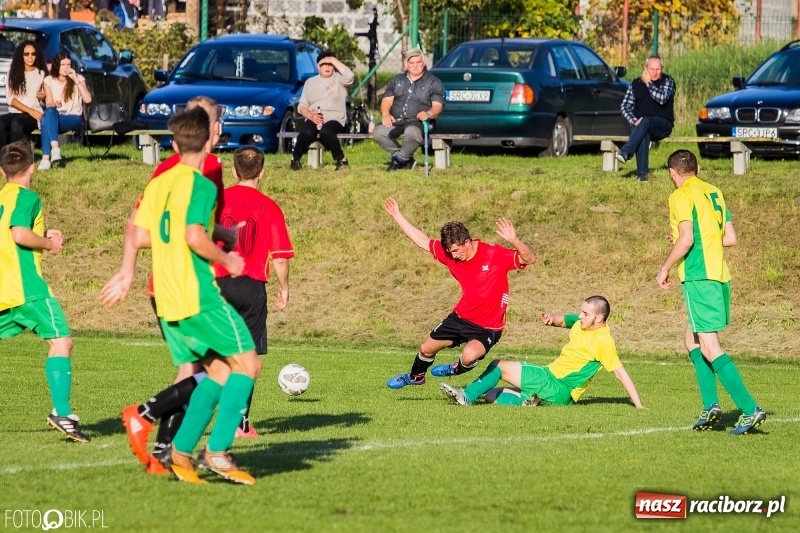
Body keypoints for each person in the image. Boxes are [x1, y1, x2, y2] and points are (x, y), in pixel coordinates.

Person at [100, 96, 236, 476]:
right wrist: (126, 271)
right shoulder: (191, 170)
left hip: (179, 282)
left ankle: (162, 450)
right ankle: (146, 417)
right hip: (182, 285)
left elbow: (186, 225)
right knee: (223, 367)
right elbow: (143, 226)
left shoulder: (202, 167)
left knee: (195, 368)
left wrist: (222, 234)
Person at [132, 106, 260, 485]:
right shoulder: (201, 184)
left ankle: (181, 452)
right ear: (209, 139)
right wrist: (227, 258)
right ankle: (217, 452)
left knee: (219, 370)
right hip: (198, 293)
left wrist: (125, 274)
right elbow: (193, 235)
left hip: (168, 297)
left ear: (173, 143)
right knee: (249, 366)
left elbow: (137, 235)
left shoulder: (159, 184)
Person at [657, 149, 765, 435]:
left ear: (672, 173)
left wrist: (665, 267)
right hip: (718, 275)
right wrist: (683, 238)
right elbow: (729, 238)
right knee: (692, 341)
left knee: (709, 345)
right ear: (698, 168)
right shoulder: (713, 191)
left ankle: (749, 408)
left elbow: (688, 239)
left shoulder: (680, 195)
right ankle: (711, 406)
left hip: (698, 276)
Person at [383, 197, 535, 389]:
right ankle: (416, 377)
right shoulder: (450, 254)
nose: (454, 256)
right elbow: (422, 240)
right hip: (461, 317)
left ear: (467, 242)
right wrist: (397, 215)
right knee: (426, 348)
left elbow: (529, 259)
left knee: (469, 356)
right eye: (450, 251)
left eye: (456, 250)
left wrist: (514, 240)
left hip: (488, 326)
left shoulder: (493, 254)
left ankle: (455, 369)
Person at [0, 140, 90, 443]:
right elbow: (19, 234)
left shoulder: (3, 197)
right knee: (61, 341)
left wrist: (42, 234)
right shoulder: (28, 197)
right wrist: (49, 243)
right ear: (32, 167)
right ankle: (62, 413)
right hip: (27, 288)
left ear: (2, 171)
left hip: (4, 288)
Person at [440, 296, 645, 408]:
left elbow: (620, 373)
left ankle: (466, 396)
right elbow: (565, 320)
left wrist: (638, 405)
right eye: (581, 311)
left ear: (599, 319)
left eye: (585, 313)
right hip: (555, 389)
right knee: (492, 394)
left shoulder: (603, 342)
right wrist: (551, 320)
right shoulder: (582, 323)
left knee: (498, 366)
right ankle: (528, 403)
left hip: (557, 385)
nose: (580, 316)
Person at [215, 146, 294, 437]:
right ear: (262, 172)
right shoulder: (270, 207)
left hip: (216, 284)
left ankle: (189, 413)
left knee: (215, 354)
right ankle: (239, 424)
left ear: (233, 171)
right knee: (246, 357)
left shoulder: (216, 201)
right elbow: (281, 257)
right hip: (251, 287)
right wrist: (284, 289)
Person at [373, 48, 445, 171]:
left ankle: (398, 161)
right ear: (407, 64)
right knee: (378, 132)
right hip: (397, 119)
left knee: (412, 133)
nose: (415, 65)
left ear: (424, 62)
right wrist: (385, 114)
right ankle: (405, 159)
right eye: (411, 63)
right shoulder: (396, 80)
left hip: (418, 120)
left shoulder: (434, 82)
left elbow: (437, 107)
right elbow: (386, 100)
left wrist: (428, 114)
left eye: (418, 62)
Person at [289, 50, 354, 171]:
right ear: (318, 66)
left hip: (335, 118)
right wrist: (310, 115)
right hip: (314, 116)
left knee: (326, 131)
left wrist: (332, 59)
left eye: (330, 64)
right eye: (324, 64)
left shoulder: (339, 79)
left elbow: (350, 76)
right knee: (307, 132)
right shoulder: (310, 82)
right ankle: (295, 159)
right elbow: (302, 105)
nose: (327, 67)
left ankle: (341, 160)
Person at [615, 56, 675, 182]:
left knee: (645, 120)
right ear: (645, 68)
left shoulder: (668, 81)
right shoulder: (636, 84)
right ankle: (642, 176)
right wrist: (633, 120)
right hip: (643, 126)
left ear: (662, 69)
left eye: (658, 69)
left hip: (663, 124)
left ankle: (626, 152)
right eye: (651, 69)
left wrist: (648, 83)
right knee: (643, 129)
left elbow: (662, 98)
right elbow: (625, 106)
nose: (654, 72)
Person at [39, 51, 93, 170]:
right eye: (63, 65)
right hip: (55, 116)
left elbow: (88, 99)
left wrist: (75, 79)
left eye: (68, 65)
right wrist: (55, 104)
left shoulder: (78, 78)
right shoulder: (48, 80)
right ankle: (54, 151)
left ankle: (45, 159)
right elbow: (48, 103)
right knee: (47, 116)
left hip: (74, 117)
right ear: (57, 65)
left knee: (45, 121)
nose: (66, 68)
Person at [0, 41, 47, 152]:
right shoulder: (12, 73)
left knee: (17, 123)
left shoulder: (41, 73)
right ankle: (3, 157)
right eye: (26, 54)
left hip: (33, 116)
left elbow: (47, 97)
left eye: (33, 54)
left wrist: (43, 97)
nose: (30, 57)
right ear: (21, 56)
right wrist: (29, 110)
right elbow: (10, 99)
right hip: (17, 112)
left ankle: (16, 157)